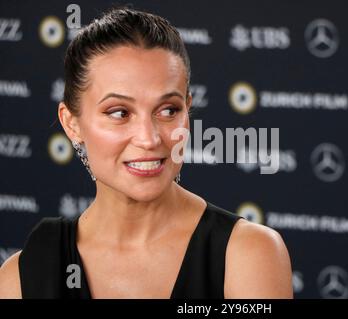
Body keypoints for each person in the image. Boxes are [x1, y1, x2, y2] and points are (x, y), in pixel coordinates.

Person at [0, 7, 293, 299]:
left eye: (168, 110)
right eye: (119, 112)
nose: (149, 138)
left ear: (187, 109)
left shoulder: (248, 254)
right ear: (71, 123)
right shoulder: (22, 277)